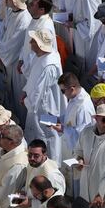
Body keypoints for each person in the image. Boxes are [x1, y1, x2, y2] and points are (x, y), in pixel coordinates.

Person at [23, 29, 62, 159]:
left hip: (45, 109)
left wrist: (27, 102)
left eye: (33, 41)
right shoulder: (41, 57)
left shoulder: (48, 65)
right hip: (36, 107)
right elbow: (33, 80)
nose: (30, 43)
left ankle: (51, 162)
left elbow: (39, 92)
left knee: (48, 136)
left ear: (40, 45)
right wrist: (25, 92)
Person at [57, 72, 96, 161]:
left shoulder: (84, 107)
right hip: (69, 148)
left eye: (63, 91)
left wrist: (63, 129)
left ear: (72, 89)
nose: (62, 93)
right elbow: (70, 116)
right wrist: (58, 119)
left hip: (79, 154)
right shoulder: (74, 97)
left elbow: (83, 135)